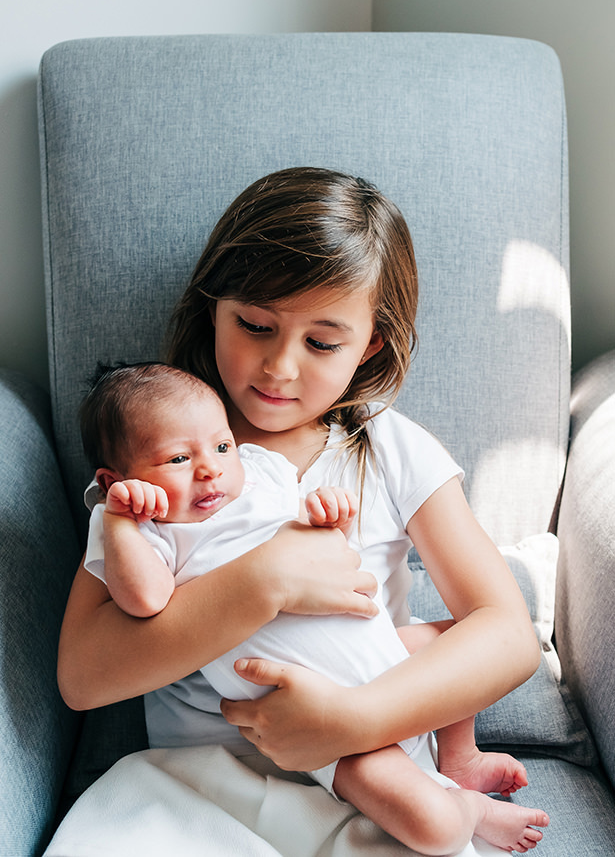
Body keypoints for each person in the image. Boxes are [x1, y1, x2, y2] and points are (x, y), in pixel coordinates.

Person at [59, 167, 548, 854]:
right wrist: (266, 582)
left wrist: (351, 719)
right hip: (204, 782)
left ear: (369, 344)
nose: (279, 368)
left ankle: (448, 780)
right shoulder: (154, 461)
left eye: (320, 342)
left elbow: (507, 635)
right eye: (255, 325)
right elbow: (82, 677)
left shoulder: (389, 448)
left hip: (374, 757)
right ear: (213, 310)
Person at [79, 361, 548, 854]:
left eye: (222, 447)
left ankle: (460, 757)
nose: (210, 469)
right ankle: (470, 810)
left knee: (461, 642)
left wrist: (327, 519)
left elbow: (323, 554)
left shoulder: (259, 470)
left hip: (384, 660)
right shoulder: (149, 530)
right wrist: (119, 522)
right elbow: (145, 599)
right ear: (115, 482)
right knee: (435, 828)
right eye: (178, 459)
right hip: (305, 715)